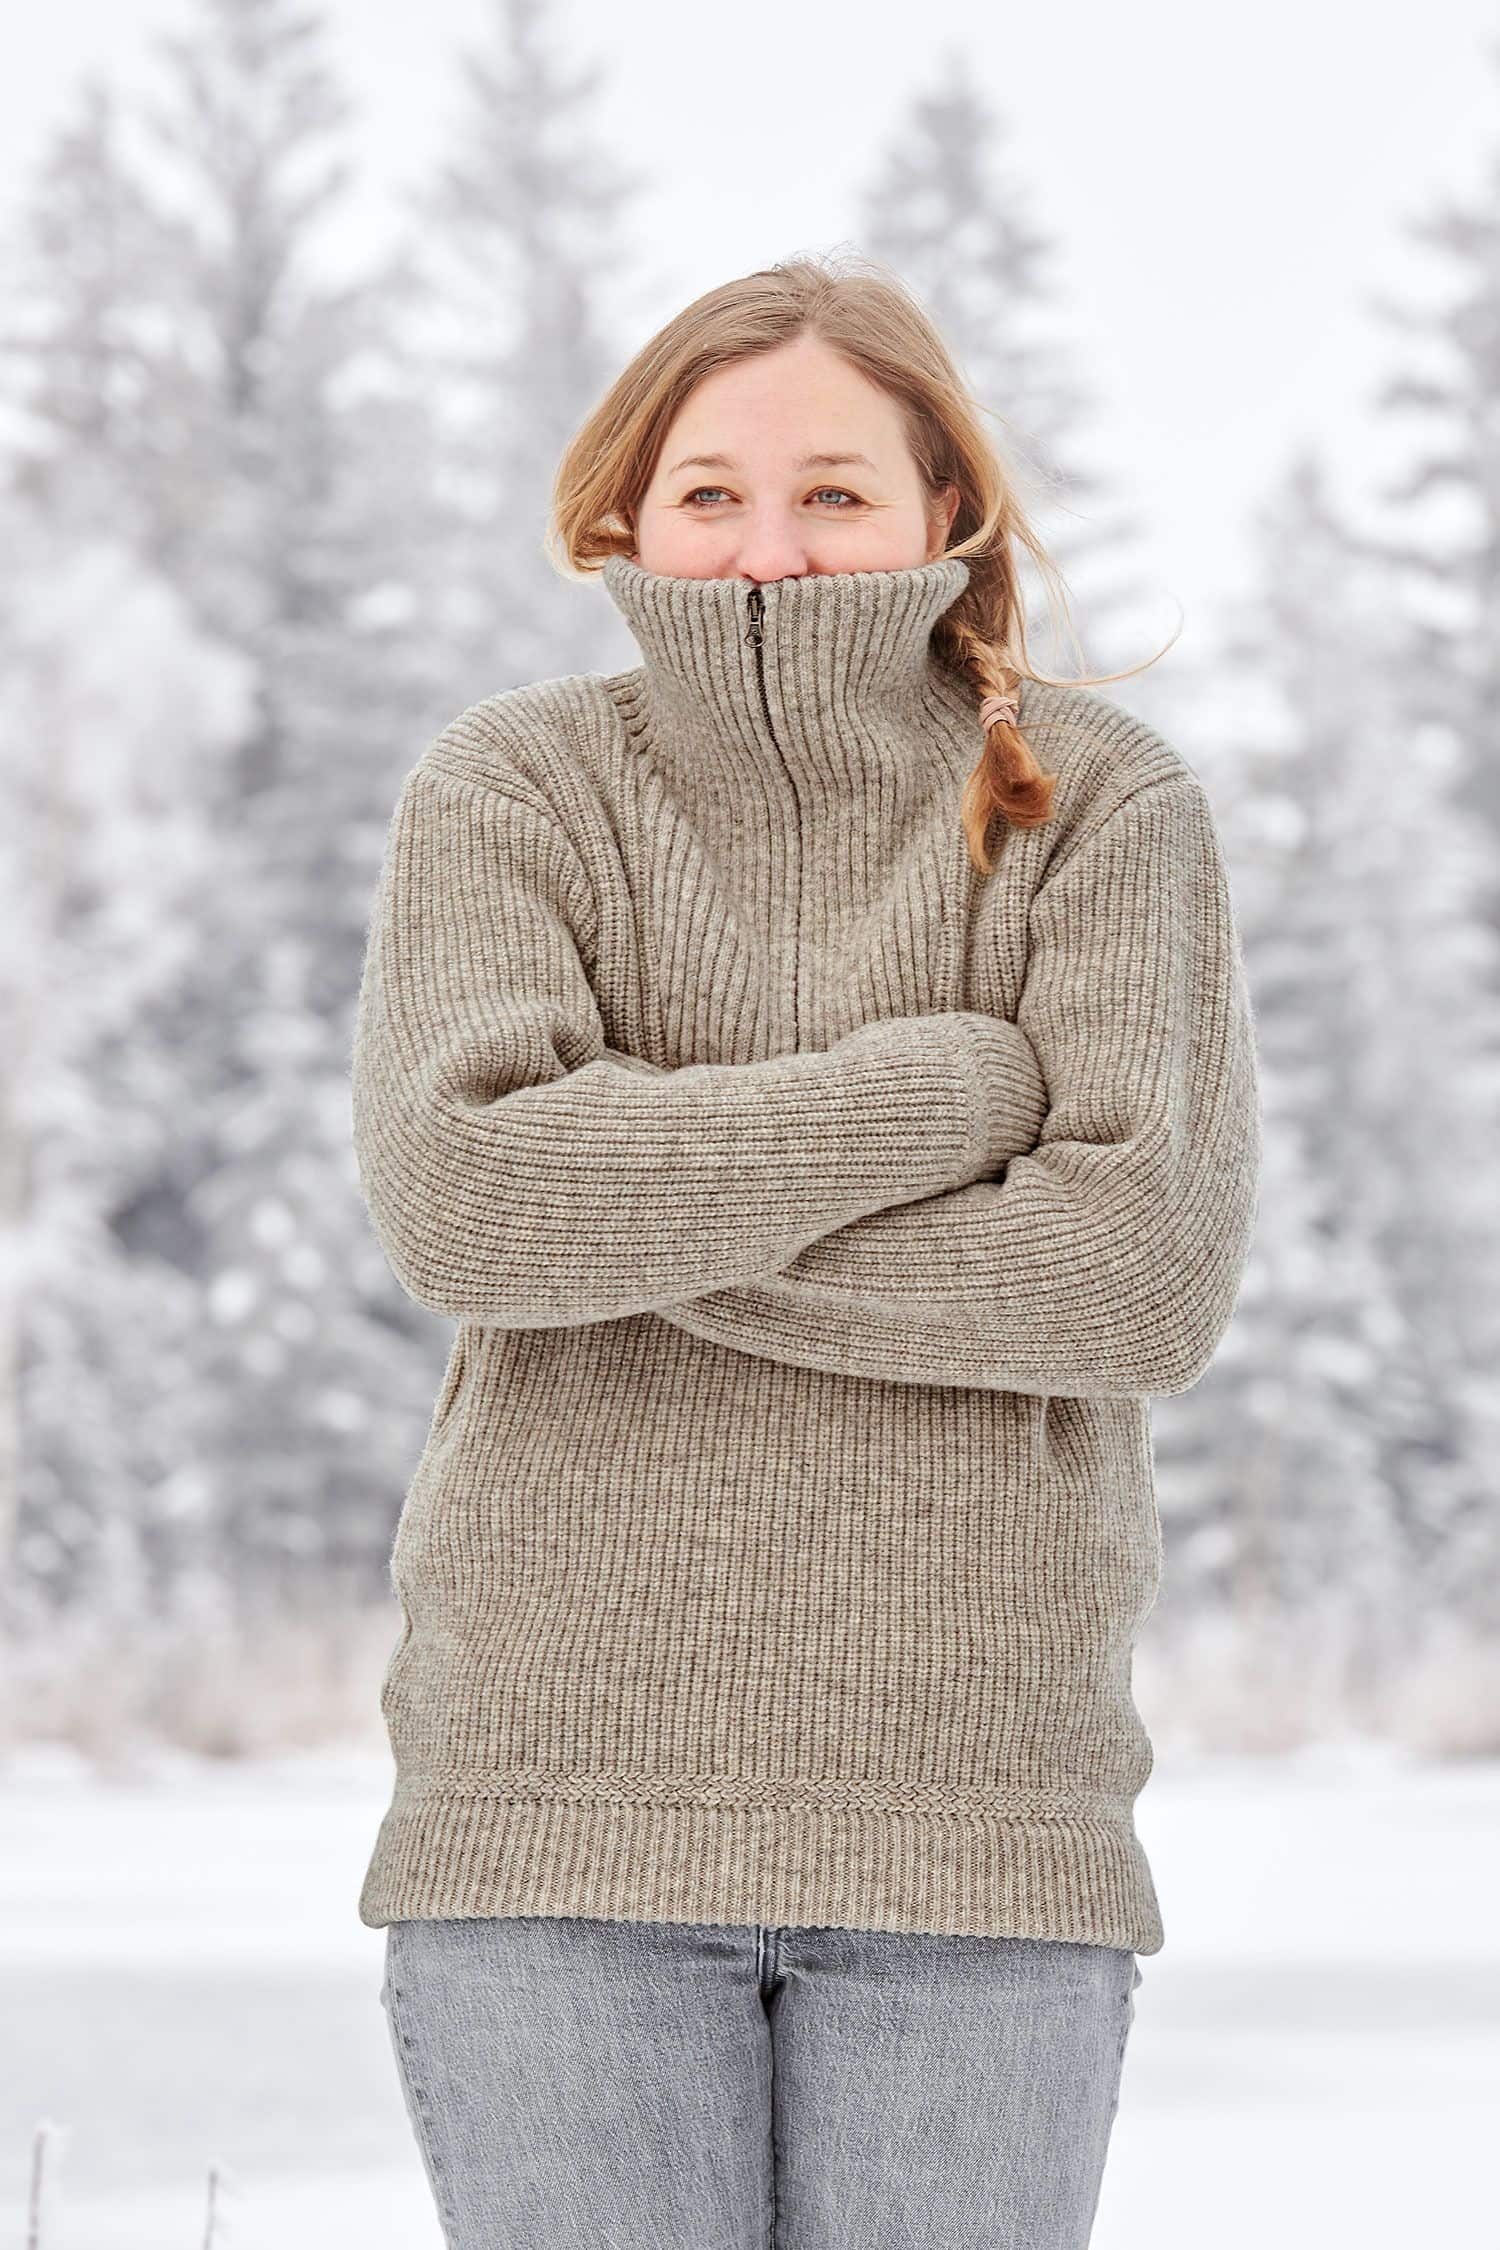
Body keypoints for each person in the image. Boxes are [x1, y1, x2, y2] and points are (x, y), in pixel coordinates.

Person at [350, 253, 1262, 2249]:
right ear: (625, 513)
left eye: (835, 492)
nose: (768, 551)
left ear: (946, 512)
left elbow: (1135, 1279)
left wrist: (630, 1200)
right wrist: (943, 1102)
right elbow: (472, 1208)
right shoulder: (516, 787)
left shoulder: (1100, 804)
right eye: (712, 494)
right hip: (554, 1819)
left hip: (978, 1825)